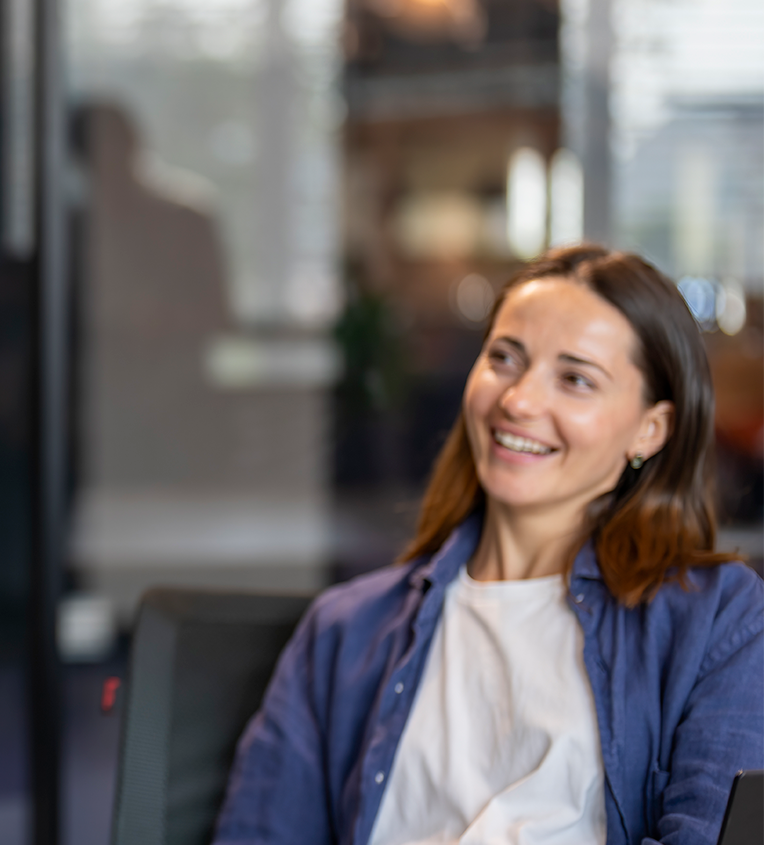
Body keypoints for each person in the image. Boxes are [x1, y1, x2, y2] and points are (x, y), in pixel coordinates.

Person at [214, 245, 764, 845]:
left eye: (576, 379)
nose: (519, 401)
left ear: (649, 429)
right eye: (504, 358)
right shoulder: (343, 634)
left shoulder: (718, 621)